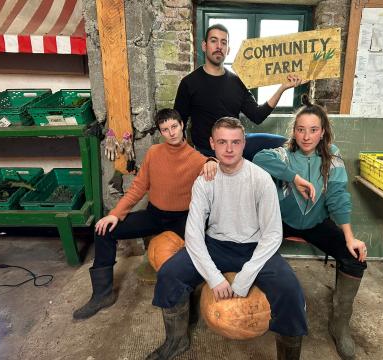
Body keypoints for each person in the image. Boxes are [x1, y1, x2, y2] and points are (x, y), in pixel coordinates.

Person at [147, 117, 307, 360]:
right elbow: (193, 233)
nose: (229, 149)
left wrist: (244, 278)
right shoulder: (204, 181)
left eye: (235, 142)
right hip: (216, 245)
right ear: (212, 143)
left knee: (291, 291)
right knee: (170, 273)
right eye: (222, 142)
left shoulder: (261, 179)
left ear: (244, 144)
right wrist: (213, 278)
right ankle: (175, 341)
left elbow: (273, 233)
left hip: (255, 248)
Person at [73, 108, 218, 320]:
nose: (171, 133)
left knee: (199, 254)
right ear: (161, 132)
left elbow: (212, 165)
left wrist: (212, 161)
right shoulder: (153, 153)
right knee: (104, 231)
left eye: (174, 127)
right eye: (165, 129)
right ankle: (102, 295)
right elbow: (138, 188)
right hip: (154, 215)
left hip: (183, 220)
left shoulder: (197, 159)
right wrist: (115, 214)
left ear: (182, 126)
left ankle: (187, 300)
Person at [253, 95, 367, 360]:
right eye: (301, 129)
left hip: (316, 223)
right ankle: (256, 307)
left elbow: (339, 196)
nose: (306, 136)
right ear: (294, 131)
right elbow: (258, 158)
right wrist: (294, 177)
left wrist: (350, 237)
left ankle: (339, 326)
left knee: (355, 259)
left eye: (313, 130)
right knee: (250, 251)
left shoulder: (333, 157)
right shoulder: (283, 153)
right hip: (280, 221)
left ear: (323, 131)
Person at [174, 23, 302, 161]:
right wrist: (190, 158)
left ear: (228, 49)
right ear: (204, 46)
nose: (219, 46)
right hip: (206, 153)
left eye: (223, 42)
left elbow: (257, 115)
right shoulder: (189, 83)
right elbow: (178, 125)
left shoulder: (237, 82)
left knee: (284, 143)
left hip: (235, 146)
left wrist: (282, 87)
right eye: (214, 41)